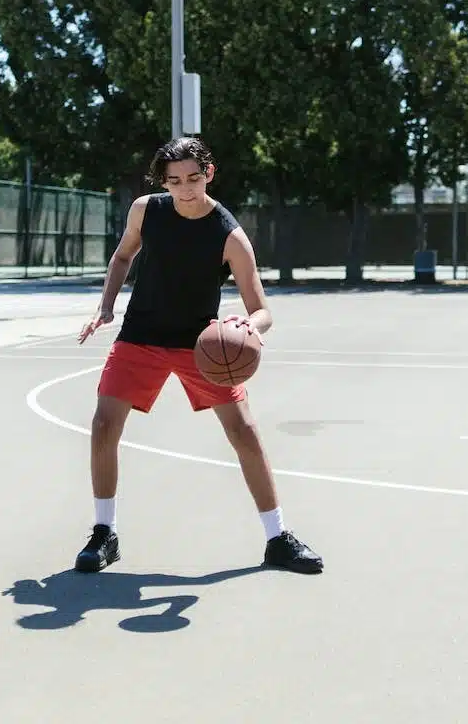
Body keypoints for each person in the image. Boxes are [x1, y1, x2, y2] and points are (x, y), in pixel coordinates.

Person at [73, 135, 324, 575]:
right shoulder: (145, 210)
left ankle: (277, 539)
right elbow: (121, 257)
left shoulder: (229, 235)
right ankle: (104, 533)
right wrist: (106, 307)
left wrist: (250, 327)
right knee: (103, 424)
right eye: (174, 181)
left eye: (194, 177)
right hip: (141, 336)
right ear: (163, 182)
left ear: (209, 173)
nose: (185, 188)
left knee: (245, 432)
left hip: (201, 346)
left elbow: (262, 310)